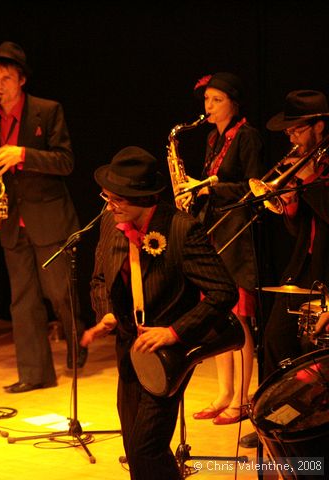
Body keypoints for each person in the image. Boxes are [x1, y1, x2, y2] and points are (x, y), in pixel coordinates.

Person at [81, 146, 238, 480]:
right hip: (128, 348)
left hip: (169, 352)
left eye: (117, 198)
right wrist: (107, 313)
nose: (110, 204)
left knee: (146, 446)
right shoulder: (111, 222)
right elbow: (98, 277)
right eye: (107, 196)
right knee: (136, 448)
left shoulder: (182, 229)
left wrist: (174, 332)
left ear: (143, 198)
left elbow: (223, 292)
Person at [0, 41, 85, 394]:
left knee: (59, 294)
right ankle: (35, 373)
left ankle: (76, 341)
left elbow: (65, 161)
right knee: (21, 300)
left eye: (5, 78)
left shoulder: (47, 111)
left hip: (49, 217)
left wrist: (23, 154)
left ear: (21, 79)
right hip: (11, 220)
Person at [239, 89, 329, 449]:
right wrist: (289, 202)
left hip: (326, 266)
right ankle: (273, 421)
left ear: (319, 126)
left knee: (314, 354)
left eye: (296, 129)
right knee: (274, 340)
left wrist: (305, 185)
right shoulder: (306, 163)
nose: (290, 138)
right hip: (304, 264)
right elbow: (300, 226)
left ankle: (309, 429)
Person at [178, 72, 263, 425]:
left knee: (240, 317)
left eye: (215, 100)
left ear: (233, 103)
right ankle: (224, 393)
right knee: (216, 315)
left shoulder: (248, 136)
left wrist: (210, 189)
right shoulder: (214, 137)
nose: (208, 106)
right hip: (213, 230)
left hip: (238, 235)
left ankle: (243, 399)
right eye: (206, 100)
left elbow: (253, 186)